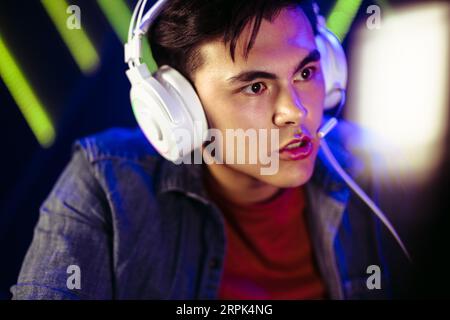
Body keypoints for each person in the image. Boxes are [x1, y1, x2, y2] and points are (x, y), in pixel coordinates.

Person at [11, 0, 410, 299]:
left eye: (306, 72)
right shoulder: (105, 180)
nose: (296, 111)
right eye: (255, 87)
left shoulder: (373, 166)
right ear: (177, 110)